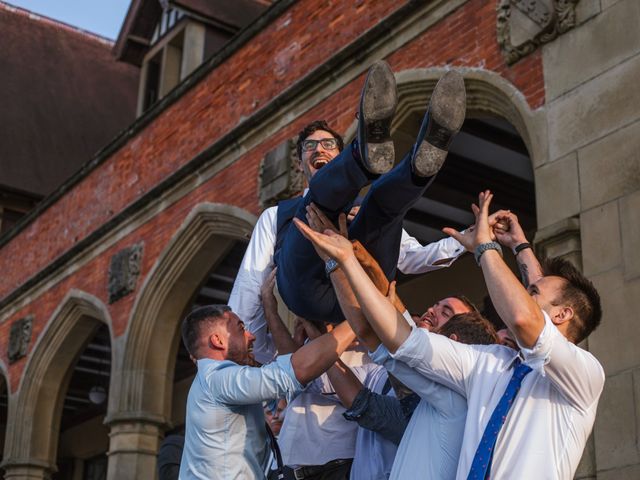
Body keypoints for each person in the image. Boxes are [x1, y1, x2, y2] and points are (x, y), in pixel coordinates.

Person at [294, 189, 604, 479]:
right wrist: (344, 260)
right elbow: (402, 337)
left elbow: (527, 319)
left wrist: (486, 248)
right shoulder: (493, 363)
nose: (522, 294)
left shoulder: (586, 375)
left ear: (563, 315)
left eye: (532, 291)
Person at [229, 60, 467, 363]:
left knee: (381, 202)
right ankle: (362, 156)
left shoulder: (360, 206)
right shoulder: (276, 215)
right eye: (309, 148)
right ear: (300, 164)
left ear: (337, 155)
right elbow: (250, 282)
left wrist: (466, 240)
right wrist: (249, 347)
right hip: (308, 291)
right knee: (314, 206)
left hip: (359, 293)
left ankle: (418, 169)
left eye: (328, 144)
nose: (319, 150)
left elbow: (410, 257)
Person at [178, 304, 357, 480]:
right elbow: (295, 371)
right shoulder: (218, 379)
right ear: (218, 341)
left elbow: (283, 383)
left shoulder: (211, 381)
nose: (252, 336)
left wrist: (297, 346)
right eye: (241, 329)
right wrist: (359, 316)